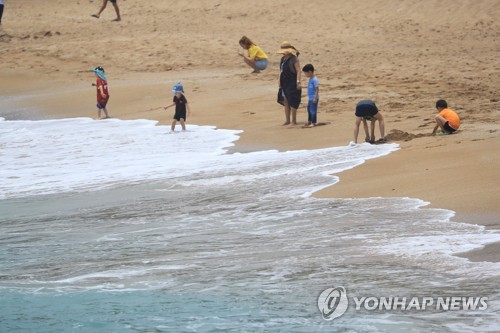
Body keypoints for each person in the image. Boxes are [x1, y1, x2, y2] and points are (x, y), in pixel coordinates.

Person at [276, 41, 302, 126]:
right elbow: (281, 71)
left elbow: (298, 71)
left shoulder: (294, 59)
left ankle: (293, 121)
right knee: (285, 101)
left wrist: (298, 82)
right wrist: (279, 80)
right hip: (284, 82)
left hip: (292, 82)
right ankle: (287, 120)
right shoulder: (283, 59)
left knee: (293, 101)